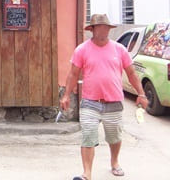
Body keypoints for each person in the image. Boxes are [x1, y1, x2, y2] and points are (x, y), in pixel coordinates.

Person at [60, 14, 149, 180]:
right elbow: (73, 74)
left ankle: (114, 162)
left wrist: (141, 94)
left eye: (106, 27)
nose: (104, 29)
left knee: (114, 136)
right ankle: (87, 173)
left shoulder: (119, 49)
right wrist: (66, 95)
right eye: (100, 26)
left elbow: (131, 73)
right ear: (92, 29)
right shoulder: (82, 50)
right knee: (88, 135)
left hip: (114, 102)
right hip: (90, 102)